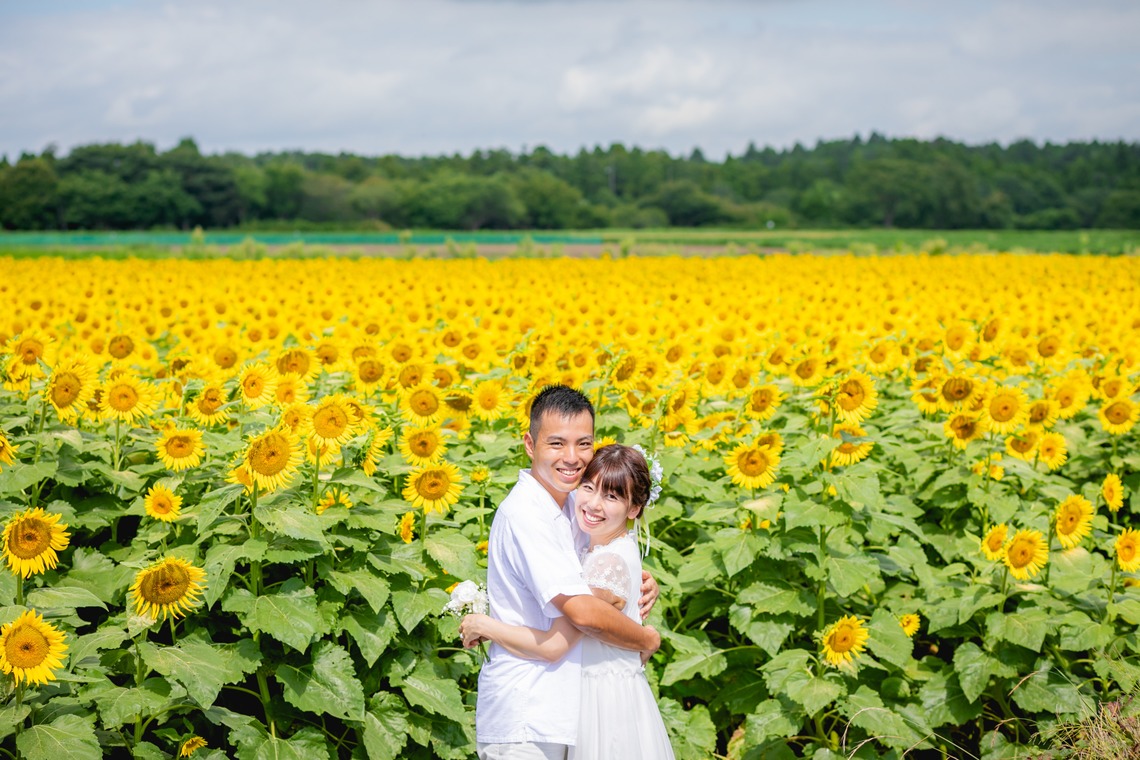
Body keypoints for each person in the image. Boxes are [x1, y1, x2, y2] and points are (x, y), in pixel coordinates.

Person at [466, 385, 661, 760]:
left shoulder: (576, 500)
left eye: (583, 444)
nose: (572, 457)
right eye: (556, 443)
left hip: (568, 712)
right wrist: (646, 638)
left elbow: (604, 557)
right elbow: (585, 614)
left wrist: (632, 580)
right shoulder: (527, 514)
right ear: (530, 443)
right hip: (525, 715)